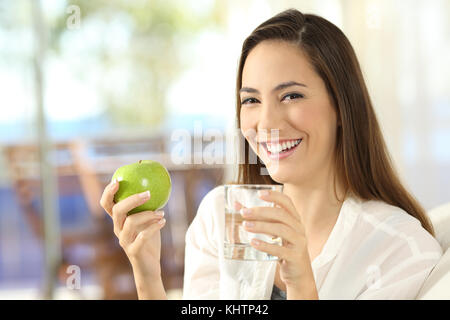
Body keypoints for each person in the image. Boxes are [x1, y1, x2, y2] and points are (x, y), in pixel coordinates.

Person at [99, 8, 442, 300]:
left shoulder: (400, 249)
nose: (266, 122)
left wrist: (302, 285)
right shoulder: (220, 216)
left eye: (291, 96)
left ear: (342, 105)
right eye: (251, 100)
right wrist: (147, 273)